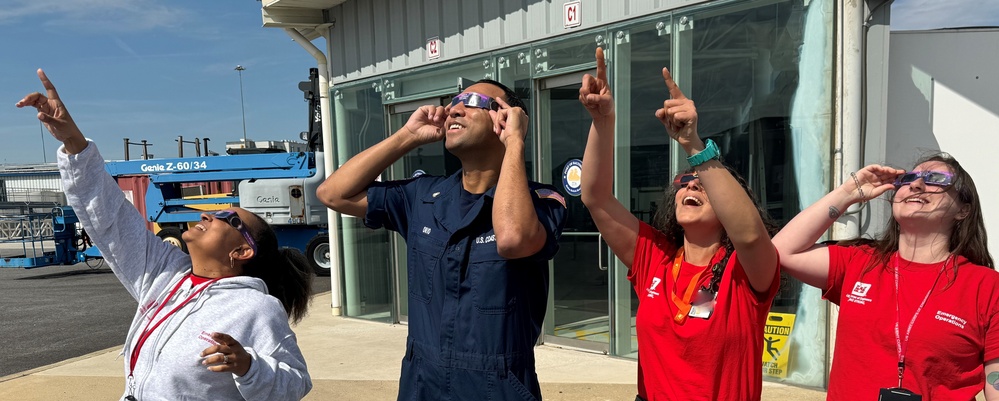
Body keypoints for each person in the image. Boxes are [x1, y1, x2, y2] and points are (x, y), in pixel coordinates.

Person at [17, 69, 314, 401]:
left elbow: (295, 383)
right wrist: (73, 142)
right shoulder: (166, 275)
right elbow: (112, 220)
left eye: (227, 219)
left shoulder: (256, 308)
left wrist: (249, 366)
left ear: (242, 252)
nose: (208, 215)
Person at [317, 79, 566, 400]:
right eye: (453, 102)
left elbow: (513, 238)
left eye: (472, 101)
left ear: (504, 117)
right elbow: (332, 193)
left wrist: (515, 141)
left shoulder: (542, 201)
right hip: (423, 381)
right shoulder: (423, 197)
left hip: (497, 386)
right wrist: (407, 136)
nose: (454, 109)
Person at [578, 48, 780, 401]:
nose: (691, 184)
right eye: (685, 182)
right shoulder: (653, 256)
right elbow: (595, 196)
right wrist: (603, 121)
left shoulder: (744, 271)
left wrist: (693, 145)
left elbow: (747, 234)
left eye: (703, 182)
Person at [773, 155, 999, 400]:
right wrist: (849, 192)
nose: (916, 185)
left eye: (936, 179)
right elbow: (782, 251)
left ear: (963, 210)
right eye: (909, 178)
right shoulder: (859, 262)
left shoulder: (986, 287)